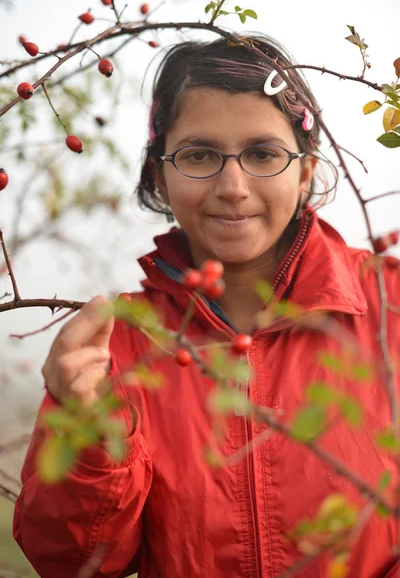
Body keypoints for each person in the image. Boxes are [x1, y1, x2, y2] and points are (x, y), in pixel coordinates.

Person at [13, 33, 400, 578]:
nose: (233, 186)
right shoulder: (115, 349)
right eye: (199, 155)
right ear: (160, 176)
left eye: (263, 153)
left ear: (306, 171)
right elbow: (72, 561)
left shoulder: (392, 308)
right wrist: (92, 437)